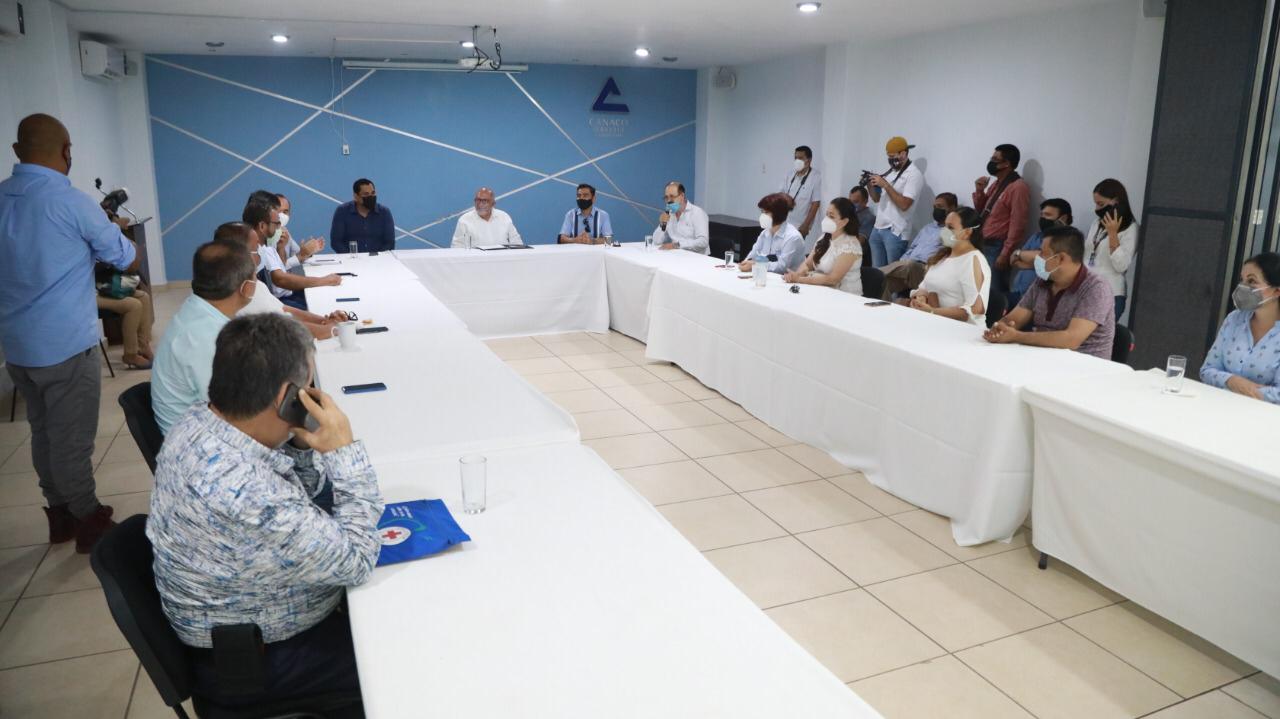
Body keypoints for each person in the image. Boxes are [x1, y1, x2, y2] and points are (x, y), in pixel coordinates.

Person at [149, 312, 381, 710]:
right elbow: (357, 560)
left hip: (238, 623)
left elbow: (299, 497)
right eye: (308, 387)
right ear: (286, 397)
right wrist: (344, 454)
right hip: (260, 659)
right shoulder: (245, 489)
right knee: (404, 652)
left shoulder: (200, 420)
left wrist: (301, 444)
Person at [0, 114, 135, 552]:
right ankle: (87, 518)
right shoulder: (72, 202)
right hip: (65, 344)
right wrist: (113, 229)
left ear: (17, 151)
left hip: (17, 345)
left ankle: (58, 513)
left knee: (42, 431)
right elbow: (124, 257)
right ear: (66, 151)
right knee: (72, 438)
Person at [151, 240, 258, 435]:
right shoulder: (206, 338)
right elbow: (233, 412)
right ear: (247, 287)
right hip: (198, 443)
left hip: (198, 429)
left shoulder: (198, 310)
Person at [983, 226, 1116, 359]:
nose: (1037, 257)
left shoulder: (1096, 288)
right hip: (1043, 358)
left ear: (1061, 258)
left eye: (1042, 253)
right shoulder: (1042, 281)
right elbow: (1015, 319)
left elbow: (1071, 339)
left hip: (1083, 365)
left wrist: (1017, 336)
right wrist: (1001, 327)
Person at [215, 221, 351, 340]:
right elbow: (279, 327)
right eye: (256, 248)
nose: (261, 252)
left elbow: (283, 309)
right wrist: (331, 329)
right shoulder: (238, 294)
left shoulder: (254, 283)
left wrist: (324, 321)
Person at [1200, 252, 1280, 403]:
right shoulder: (1234, 319)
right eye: (1242, 280)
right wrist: (1233, 381)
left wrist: (1241, 387)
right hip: (1218, 405)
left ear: (1276, 291)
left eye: (1251, 281)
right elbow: (1207, 370)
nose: (1243, 287)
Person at [246, 199, 340, 310]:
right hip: (278, 301)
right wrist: (324, 280)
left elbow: (286, 265)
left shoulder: (269, 245)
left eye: (285, 212)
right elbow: (280, 280)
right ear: (262, 225)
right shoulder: (260, 250)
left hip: (282, 296)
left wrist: (304, 251)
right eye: (276, 223)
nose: (279, 226)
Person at [910, 206, 990, 326]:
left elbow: (975, 309)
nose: (944, 231)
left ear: (967, 232)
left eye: (950, 228)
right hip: (935, 323)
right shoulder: (942, 256)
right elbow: (925, 287)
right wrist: (921, 298)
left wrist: (933, 311)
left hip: (961, 329)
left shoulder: (973, 260)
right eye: (945, 226)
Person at [973, 144, 1031, 295]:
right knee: (979, 289)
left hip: (997, 247)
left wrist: (1005, 253)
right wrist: (979, 191)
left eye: (995, 159)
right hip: (983, 242)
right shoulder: (998, 183)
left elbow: (1018, 223)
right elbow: (982, 210)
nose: (991, 162)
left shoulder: (1018, 187)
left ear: (1006, 163)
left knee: (994, 292)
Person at [880, 192, 957, 299]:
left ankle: (877, 272)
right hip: (908, 268)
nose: (936, 210)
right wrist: (902, 261)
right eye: (934, 207)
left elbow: (949, 256)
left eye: (940, 206)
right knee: (883, 283)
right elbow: (912, 248)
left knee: (910, 265)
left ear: (952, 208)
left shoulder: (952, 232)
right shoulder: (927, 228)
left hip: (926, 270)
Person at [783, 197, 862, 295]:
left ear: (844, 221)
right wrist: (796, 275)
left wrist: (800, 279)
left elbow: (833, 279)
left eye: (831, 216)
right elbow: (808, 264)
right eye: (827, 215)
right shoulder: (824, 237)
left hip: (844, 295)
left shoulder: (850, 245)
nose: (827, 219)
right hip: (821, 290)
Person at [866, 136, 924, 267]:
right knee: (877, 273)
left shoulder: (914, 174)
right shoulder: (891, 172)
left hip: (895, 231)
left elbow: (904, 205)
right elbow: (876, 199)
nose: (890, 159)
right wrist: (869, 184)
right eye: (888, 156)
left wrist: (885, 185)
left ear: (903, 153)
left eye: (892, 156)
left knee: (893, 274)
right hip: (878, 228)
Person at [1085, 178, 1140, 319]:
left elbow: (1121, 266)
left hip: (1111, 293)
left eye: (1101, 204)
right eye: (1095, 204)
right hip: (1087, 290)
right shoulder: (1097, 223)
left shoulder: (1131, 228)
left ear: (1115, 202)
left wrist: (1113, 234)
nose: (1096, 209)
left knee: (1096, 333)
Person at [738, 193, 806, 275]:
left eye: (766, 212)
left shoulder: (793, 237)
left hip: (788, 280)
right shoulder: (765, 233)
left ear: (778, 214)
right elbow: (753, 254)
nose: (762, 216)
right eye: (762, 212)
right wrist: (746, 263)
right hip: (767, 276)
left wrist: (755, 264)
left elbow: (782, 267)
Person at [331, 178, 395, 253]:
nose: (371, 197)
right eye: (366, 194)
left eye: (373, 193)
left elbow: (390, 242)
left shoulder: (384, 212)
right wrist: (352, 257)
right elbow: (336, 242)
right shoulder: (342, 211)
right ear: (356, 196)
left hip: (379, 258)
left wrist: (377, 257)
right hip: (350, 258)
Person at [96, 287, 155, 369]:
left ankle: (143, 345)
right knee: (134, 305)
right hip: (88, 297)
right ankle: (130, 355)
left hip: (103, 290)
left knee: (144, 297)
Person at [779, 145, 823, 251]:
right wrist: (785, 197)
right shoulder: (790, 174)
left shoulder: (816, 177)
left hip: (800, 226)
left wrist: (806, 225)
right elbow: (780, 193)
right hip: (784, 222)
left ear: (809, 160)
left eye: (800, 158)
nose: (797, 160)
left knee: (792, 252)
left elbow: (816, 203)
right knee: (780, 251)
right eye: (795, 158)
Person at [453, 187, 523, 248]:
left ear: (493, 203)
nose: (480, 204)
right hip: (476, 259)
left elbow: (517, 243)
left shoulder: (504, 217)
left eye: (485, 201)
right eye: (478, 200)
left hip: (502, 258)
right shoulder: (464, 220)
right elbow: (457, 247)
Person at [654, 181, 709, 254]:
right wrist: (662, 224)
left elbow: (703, 242)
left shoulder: (697, 213)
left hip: (696, 257)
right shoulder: (669, 213)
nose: (669, 201)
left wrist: (677, 245)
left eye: (672, 196)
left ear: (682, 196)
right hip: (676, 255)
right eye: (666, 197)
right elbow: (656, 241)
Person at [275, 193, 325, 270]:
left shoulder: (284, 231)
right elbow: (276, 271)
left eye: (285, 212)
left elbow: (298, 254)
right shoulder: (266, 235)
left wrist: (308, 250)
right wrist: (301, 255)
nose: (281, 216)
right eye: (278, 211)